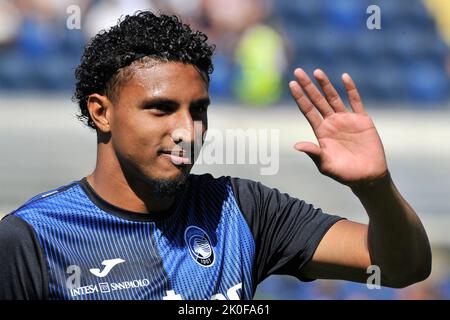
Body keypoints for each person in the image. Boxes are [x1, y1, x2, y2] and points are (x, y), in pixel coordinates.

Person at [0, 11, 431, 300]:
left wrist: (375, 187)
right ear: (101, 112)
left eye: (199, 110)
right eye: (161, 108)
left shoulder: (241, 210)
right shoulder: (31, 238)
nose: (187, 130)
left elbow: (401, 267)